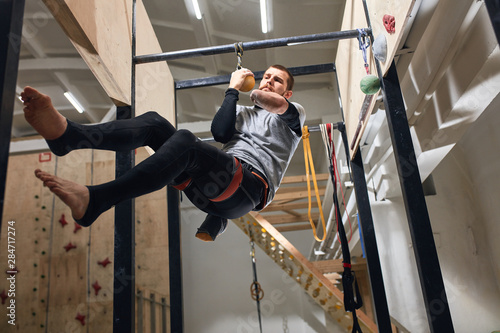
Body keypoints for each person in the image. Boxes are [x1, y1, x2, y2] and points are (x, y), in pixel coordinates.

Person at [22, 65, 306, 241]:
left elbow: (272, 103)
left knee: (185, 140)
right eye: (266, 76)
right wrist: (232, 90)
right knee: (155, 123)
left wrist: (255, 90)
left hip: (246, 188)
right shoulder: (243, 113)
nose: (268, 81)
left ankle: (98, 198)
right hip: (211, 185)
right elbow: (220, 133)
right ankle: (69, 137)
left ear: (289, 93)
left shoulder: (293, 118)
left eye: (276, 80)